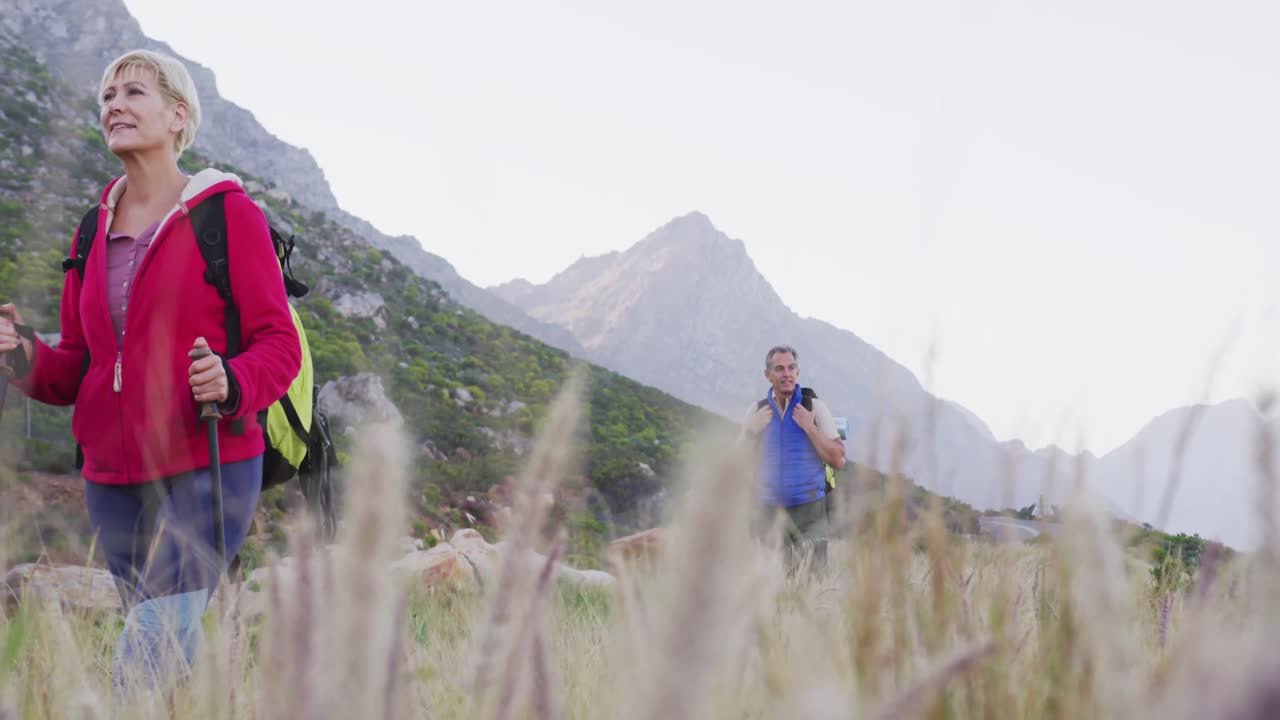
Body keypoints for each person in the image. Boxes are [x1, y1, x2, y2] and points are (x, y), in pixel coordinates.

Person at [0, 49, 300, 691]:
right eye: (107, 97)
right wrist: (19, 353)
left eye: (133, 93)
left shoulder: (226, 216)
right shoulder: (90, 234)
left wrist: (233, 379)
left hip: (209, 461)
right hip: (111, 477)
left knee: (150, 642)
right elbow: (77, 367)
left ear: (177, 116)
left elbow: (279, 342)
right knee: (163, 641)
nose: (114, 105)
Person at [741, 345, 845, 574]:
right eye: (779, 369)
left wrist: (810, 427)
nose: (787, 374)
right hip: (768, 513)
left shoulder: (815, 407)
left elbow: (838, 459)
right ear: (768, 375)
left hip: (810, 512)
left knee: (812, 586)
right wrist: (751, 431)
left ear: (798, 373)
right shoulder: (755, 411)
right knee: (769, 586)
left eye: (791, 368)